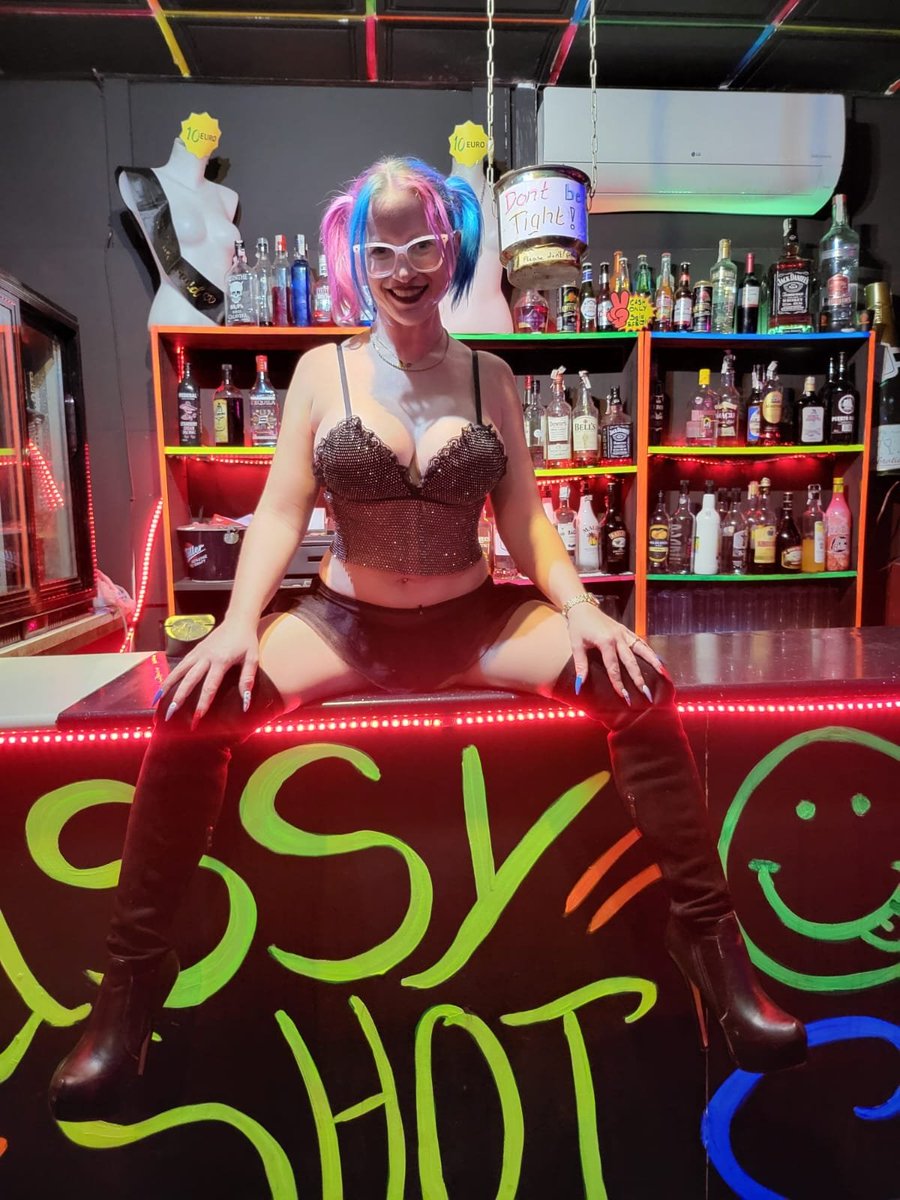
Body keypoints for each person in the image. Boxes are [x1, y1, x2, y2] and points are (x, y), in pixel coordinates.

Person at [49, 156, 805, 1121]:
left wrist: (582, 609)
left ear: (453, 249)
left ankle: (712, 949)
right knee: (191, 710)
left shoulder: (492, 376)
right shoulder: (320, 372)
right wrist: (237, 625)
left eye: (422, 245)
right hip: (341, 625)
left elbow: (524, 519)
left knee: (637, 686)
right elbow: (279, 513)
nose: (403, 267)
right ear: (354, 259)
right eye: (382, 249)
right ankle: (129, 992)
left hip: (475, 621)